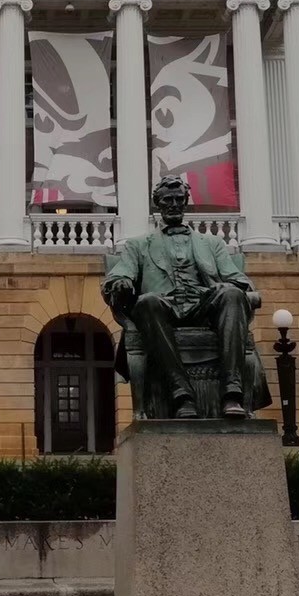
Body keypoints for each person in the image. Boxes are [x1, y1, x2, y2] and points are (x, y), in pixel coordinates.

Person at [102, 174, 255, 418]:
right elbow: (118, 276)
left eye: (178, 199)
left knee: (231, 293)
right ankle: (181, 394)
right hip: (164, 309)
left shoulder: (211, 243)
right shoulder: (138, 245)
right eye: (167, 200)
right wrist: (120, 282)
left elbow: (238, 279)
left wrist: (237, 290)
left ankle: (232, 393)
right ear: (158, 204)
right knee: (147, 301)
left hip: (203, 307)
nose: (173, 205)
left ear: (185, 202)